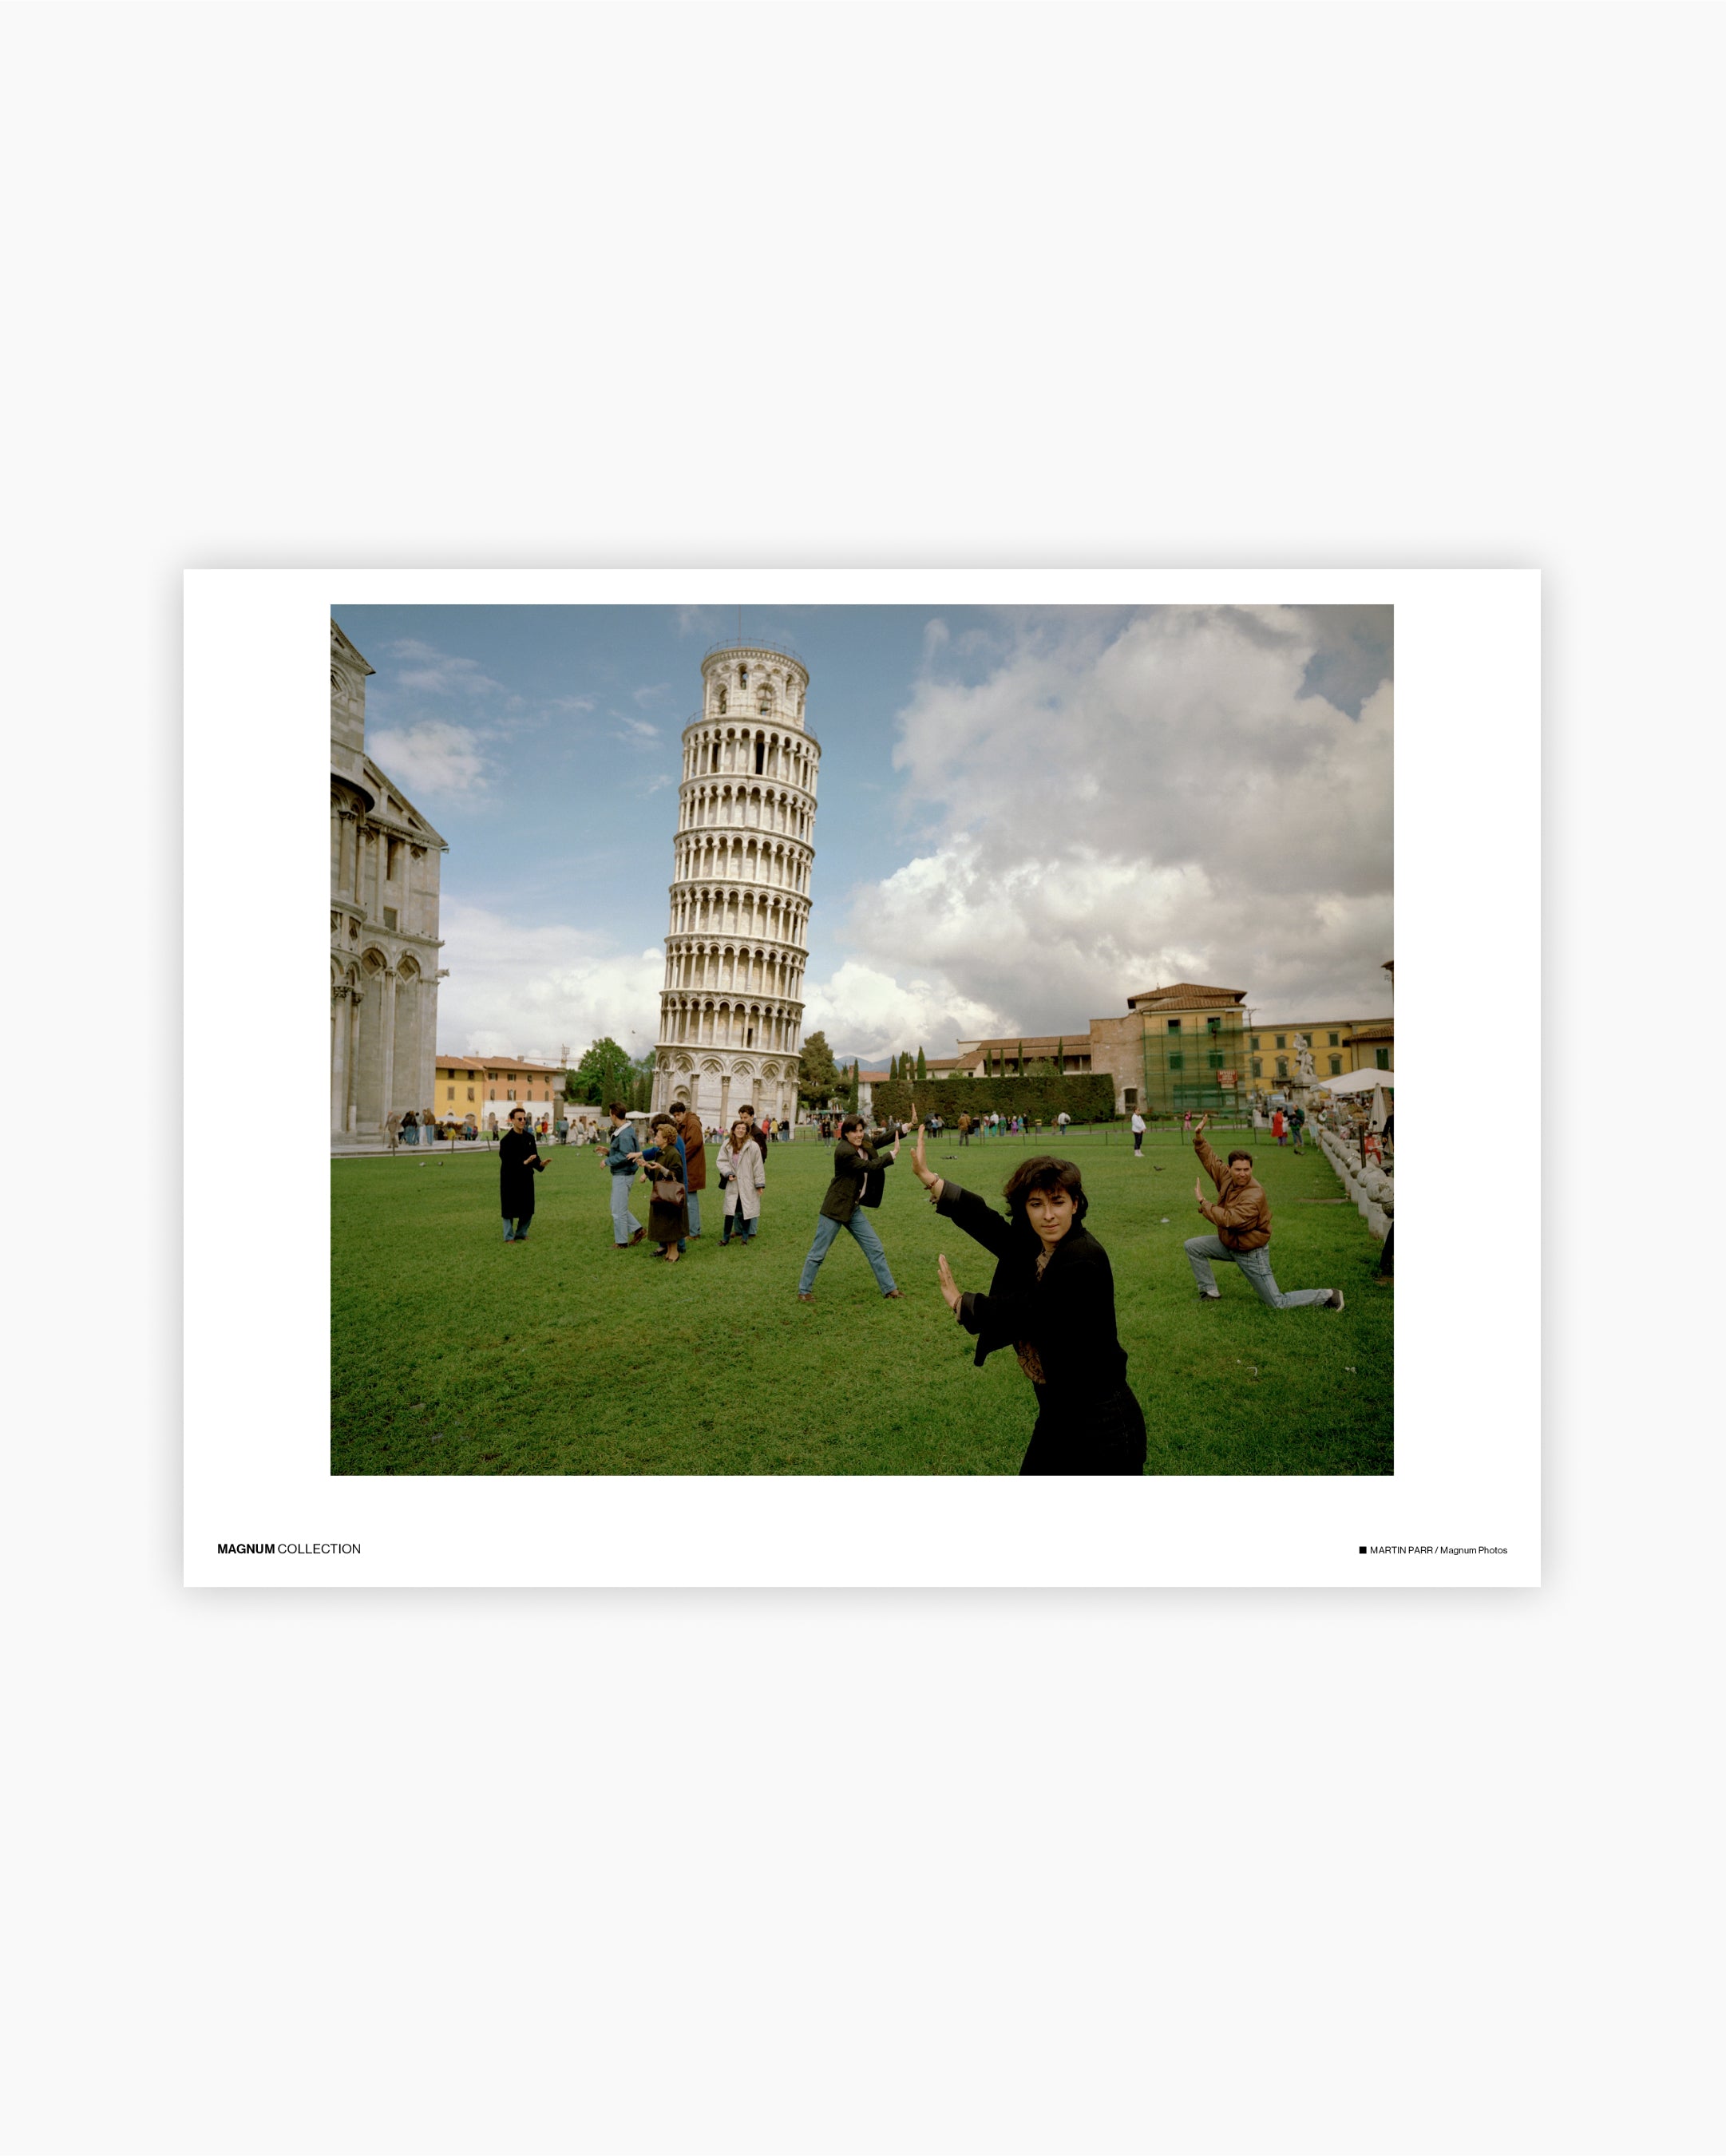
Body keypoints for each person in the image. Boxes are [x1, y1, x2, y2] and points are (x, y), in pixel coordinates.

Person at [909, 1128, 1146, 1476]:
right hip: (1058, 1416)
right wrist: (931, 1179)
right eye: (1036, 1204)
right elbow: (991, 1226)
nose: (1048, 1215)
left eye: (1058, 1202)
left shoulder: (1082, 1257)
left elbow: (1031, 1312)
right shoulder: (1041, 1247)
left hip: (1103, 1425)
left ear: (1075, 1204)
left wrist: (964, 1304)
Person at [1185, 1113, 1342, 1311]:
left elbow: (1229, 1220)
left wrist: (1203, 1201)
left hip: (1251, 1253)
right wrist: (1199, 1138)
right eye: (1238, 1169)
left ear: (1251, 1169)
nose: (1242, 1174)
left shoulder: (1255, 1194)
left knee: (1278, 1302)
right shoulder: (1227, 1178)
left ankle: (1329, 1295)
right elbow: (1211, 1161)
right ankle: (1210, 1292)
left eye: (1247, 1170)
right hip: (1230, 1243)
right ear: (1230, 1169)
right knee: (1193, 1246)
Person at [796, 1114, 902, 1301]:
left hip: (853, 1208)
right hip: (835, 1208)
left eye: (861, 1131)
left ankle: (890, 1290)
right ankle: (804, 1291)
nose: (859, 1135)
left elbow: (879, 1139)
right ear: (846, 1133)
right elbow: (868, 1166)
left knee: (875, 1247)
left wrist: (905, 1128)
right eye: (855, 1131)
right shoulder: (844, 1151)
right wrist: (891, 1155)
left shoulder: (864, 1141)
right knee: (818, 1252)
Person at [635, 1114, 689, 1261]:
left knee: (671, 1224)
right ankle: (669, 1252)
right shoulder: (660, 1153)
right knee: (666, 1224)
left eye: (658, 1136)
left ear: (666, 1139)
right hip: (662, 1195)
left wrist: (663, 1169)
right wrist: (647, 1167)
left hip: (671, 1195)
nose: (655, 1138)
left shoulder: (673, 1153)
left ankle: (675, 1253)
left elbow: (677, 1174)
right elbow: (656, 1173)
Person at [498, 1105, 545, 1243]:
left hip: (526, 1178)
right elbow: (506, 1161)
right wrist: (523, 1163)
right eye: (520, 1119)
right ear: (512, 1120)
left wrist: (541, 1164)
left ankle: (521, 1232)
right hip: (510, 1178)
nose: (523, 1121)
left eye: (525, 1118)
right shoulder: (506, 1141)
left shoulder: (530, 1138)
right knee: (509, 1208)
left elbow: (534, 1157)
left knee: (528, 1207)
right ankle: (508, 1236)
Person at [604, 1102, 646, 1250]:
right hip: (623, 1174)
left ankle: (621, 1242)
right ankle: (638, 1230)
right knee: (617, 1207)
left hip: (623, 1175)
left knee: (618, 1210)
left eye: (610, 1114)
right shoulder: (626, 1131)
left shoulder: (625, 1133)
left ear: (613, 1115)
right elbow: (624, 1152)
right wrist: (608, 1152)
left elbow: (625, 1155)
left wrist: (607, 1161)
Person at [718, 1116, 765, 1244]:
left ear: (746, 1131)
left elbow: (758, 1166)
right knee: (730, 1211)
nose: (741, 1131)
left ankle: (745, 1238)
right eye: (738, 1128)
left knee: (746, 1210)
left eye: (743, 1128)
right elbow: (722, 1161)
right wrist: (728, 1173)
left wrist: (759, 1184)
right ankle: (725, 1238)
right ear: (733, 1130)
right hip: (733, 1183)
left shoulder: (753, 1146)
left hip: (747, 1182)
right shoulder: (727, 1145)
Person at [670, 1100, 707, 1236]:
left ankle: (694, 1232)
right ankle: (693, 1230)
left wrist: (679, 1157)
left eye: (678, 1115)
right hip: (688, 1166)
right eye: (675, 1116)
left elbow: (695, 1143)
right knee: (689, 1200)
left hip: (692, 1168)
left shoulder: (693, 1123)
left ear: (684, 1112)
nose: (677, 1118)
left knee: (691, 1201)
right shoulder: (685, 1123)